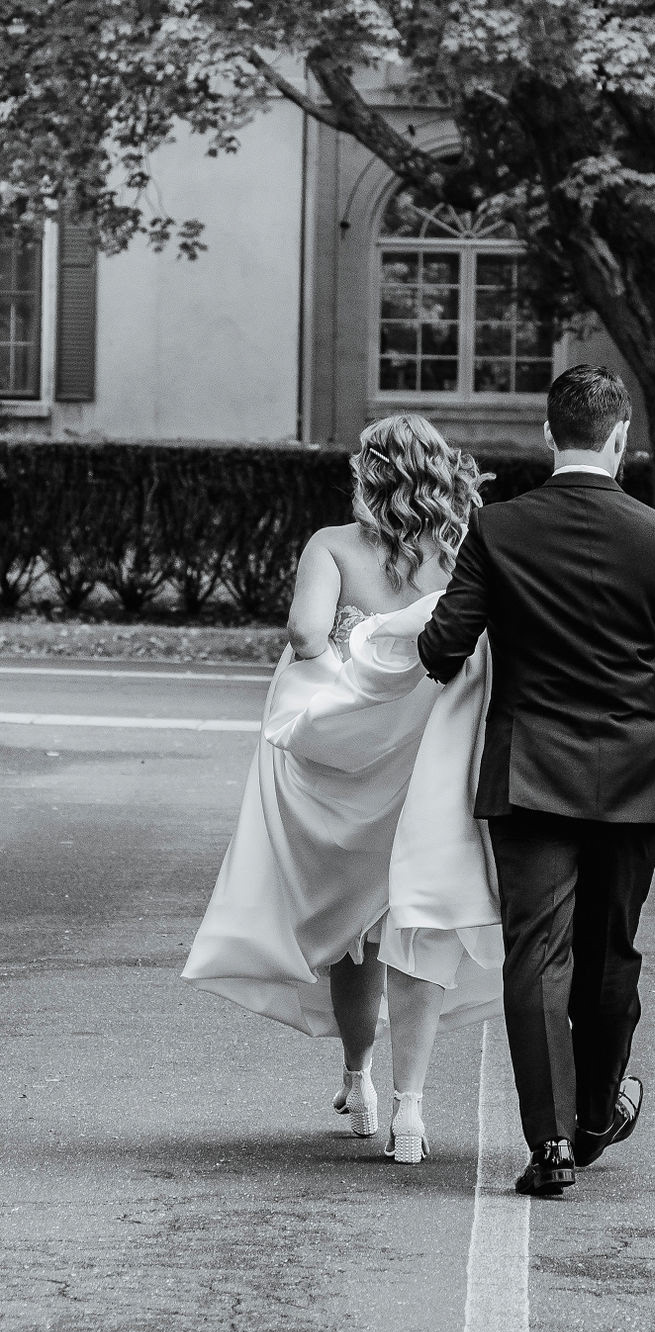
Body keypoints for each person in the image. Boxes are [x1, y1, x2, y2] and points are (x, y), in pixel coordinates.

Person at [183, 415, 503, 1163]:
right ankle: (410, 1109)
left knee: (356, 933)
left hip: (347, 761)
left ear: (369, 473)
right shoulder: (462, 545)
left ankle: (358, 1080)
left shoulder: (331, 545)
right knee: (416, 920)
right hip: (425, 756)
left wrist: (352, 655)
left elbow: (305, 635)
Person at [418, 364, 655, 1197]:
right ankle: (596, 1118)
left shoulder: (500, 527)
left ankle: (549, 1145)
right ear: (622, 437)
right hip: (630, 772)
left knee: (537, 954)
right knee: (611, 955)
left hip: (529, 771)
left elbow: (444, 647)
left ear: (548, 435)